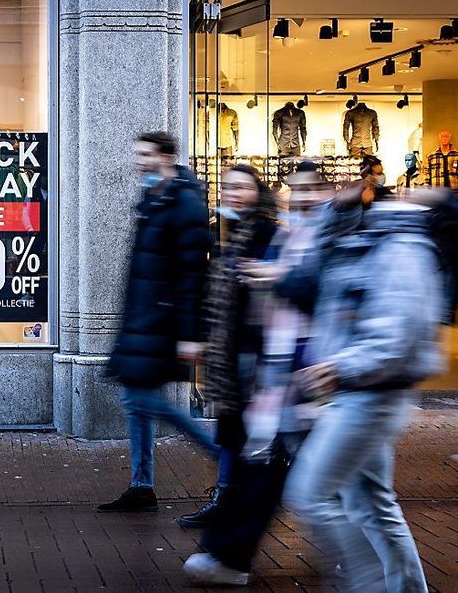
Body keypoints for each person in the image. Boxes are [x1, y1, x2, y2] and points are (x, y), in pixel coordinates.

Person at [279, 186, 447, 592]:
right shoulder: (370, 243)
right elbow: (322, 258)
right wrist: (336, 209)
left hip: (370, 394)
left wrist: (339, 367)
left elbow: (395, 337)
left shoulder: (401, 251)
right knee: (371, 504)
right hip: (362, 392)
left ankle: (367, 585)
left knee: (310, 494)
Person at [184, 162, 337, 586]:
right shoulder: (283, 235)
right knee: (265, 467)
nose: (302, 197)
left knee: (318, 480)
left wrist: (278, 279)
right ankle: (229, 554)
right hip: (283, 372)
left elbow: (320, 290)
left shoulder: (312, 236)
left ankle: (232, 554)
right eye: (297, 189)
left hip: (316, 375)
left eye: (313, 189)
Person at [98, 131, 219, 513]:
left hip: (162, 320)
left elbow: (192, 275)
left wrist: (189, 334)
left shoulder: (184, 204)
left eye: (144, 154)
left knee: (143, 399)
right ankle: (141, 484)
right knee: (136, 401)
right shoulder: (155, 198)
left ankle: (224, 456)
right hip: (145, 316)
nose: (138, 161)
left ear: (164, 157)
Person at [177, 164, 279, 529]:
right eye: (228, 187)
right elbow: (211, 291)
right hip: (227, 352)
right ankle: (226, 498)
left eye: (241, 187)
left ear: (257, 191)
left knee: (248, 435)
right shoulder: (222, 232)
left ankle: (240, 503)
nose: (232, 193)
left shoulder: (267, 233)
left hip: (253, 353)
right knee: (232, 430)